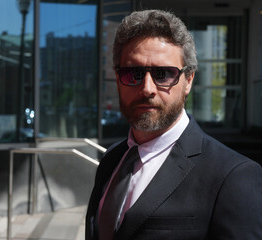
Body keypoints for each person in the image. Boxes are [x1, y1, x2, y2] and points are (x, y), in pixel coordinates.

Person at [86, 10, 262, 240]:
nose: (147, 88)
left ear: (188, 80)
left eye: (163, 74)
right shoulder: (111, 160)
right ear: (118, 77)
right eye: (133, 73)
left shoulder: (233, 177)